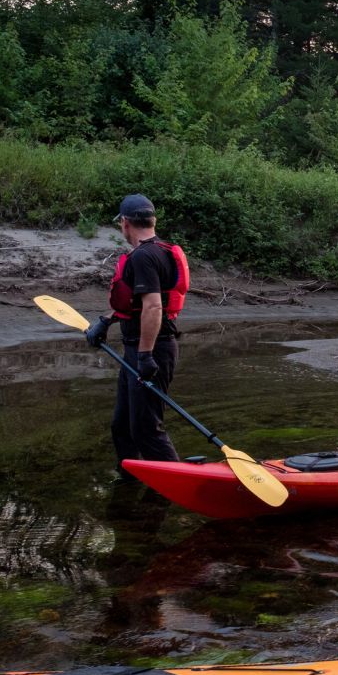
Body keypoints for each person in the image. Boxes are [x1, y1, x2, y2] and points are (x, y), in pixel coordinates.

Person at [84, 194, 190, 473]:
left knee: (146, 428)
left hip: (151, 351)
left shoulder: (143, 257)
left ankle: (174, 485)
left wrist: (144, 355)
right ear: (152, 220)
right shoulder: (158, 251)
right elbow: (137, 305)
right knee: (122, 425)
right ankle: (131, 476)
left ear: (125, 223)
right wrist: (105, 322)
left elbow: (154, 307)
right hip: (139, 350)